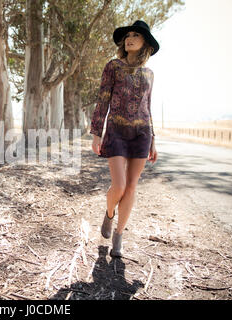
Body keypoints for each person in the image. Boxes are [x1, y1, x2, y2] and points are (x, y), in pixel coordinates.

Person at [90, 20, 159, 258]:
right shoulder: (113, 66)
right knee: (118, 186)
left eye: (136, 36)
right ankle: (109, 214)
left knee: (131, 187)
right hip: (117, 131)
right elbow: (102, 101)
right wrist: (96, 133)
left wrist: (153, 139)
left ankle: (119, 235)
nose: (129, 38)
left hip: (141, 134)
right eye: (127, 35)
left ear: (145, 44)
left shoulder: (149, 74)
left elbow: (148, 107)